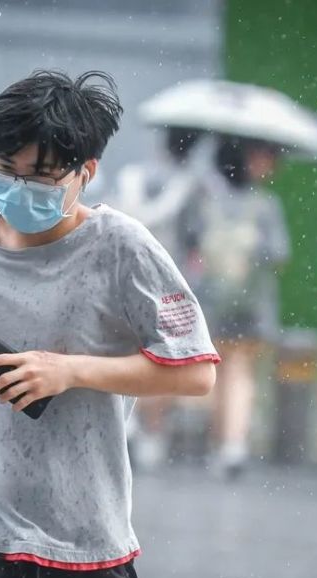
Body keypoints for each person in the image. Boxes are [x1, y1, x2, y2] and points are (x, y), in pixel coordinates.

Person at [0, 71, 219, 578]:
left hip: (88, 542)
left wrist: (71, 371)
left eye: (43, 175)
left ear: (87, 171)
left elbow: (195, 372)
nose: (20, 186)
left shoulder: (123, 249)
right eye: (6, 169)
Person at [189, 136, 290, 479]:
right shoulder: (265, 205)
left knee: (215, 371)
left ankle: (218, 444)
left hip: (211, 299)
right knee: (241, 372)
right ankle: (234, 445)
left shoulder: (206, 202)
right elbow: (279, 254)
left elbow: (193, 248)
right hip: (252, 303)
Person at [111, 127, 205, 470]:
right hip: (167, 286)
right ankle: (151, 432)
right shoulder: (190, 188)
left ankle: (126, 422)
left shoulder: (130, 176)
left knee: (123, 350)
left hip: (123, 279)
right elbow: (195, 241)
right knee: (162, 358)